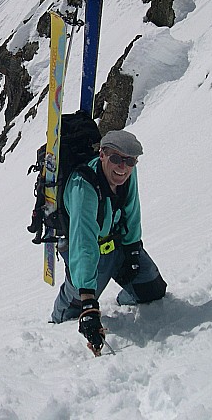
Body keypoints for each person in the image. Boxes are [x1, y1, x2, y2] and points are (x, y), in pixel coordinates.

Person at [51, 129, 166, 355]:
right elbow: (84, 245)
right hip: (84, 251)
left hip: (116, 243)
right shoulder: (83, 187)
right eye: (115, 158)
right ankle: (62, 310)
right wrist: (88, 304)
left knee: (152, 289)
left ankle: (123, 295)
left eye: (129, 160)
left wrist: (133, 251)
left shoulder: (127, 175)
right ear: (102, 155)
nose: (122, 167)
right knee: (77, 308)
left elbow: (132, 212)